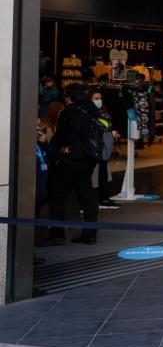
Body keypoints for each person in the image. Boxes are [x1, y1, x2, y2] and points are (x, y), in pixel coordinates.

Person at [45, 85, 102, 245]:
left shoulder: (69, 113)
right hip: (88, 159)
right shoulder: (92, 110)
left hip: (71, 160)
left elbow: (60, 138)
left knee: (56, 195)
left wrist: (53, 151)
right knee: (86, 196)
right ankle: (90, 234)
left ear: (69, 97)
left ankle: (57, 234)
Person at [89, 90, 120, 209]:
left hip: (104, 150)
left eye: (100, 98)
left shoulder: (102, 113)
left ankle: (103, 199)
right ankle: (97, 200)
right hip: (96, 149)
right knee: (95, 177)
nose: (99, 101)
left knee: (103, 174)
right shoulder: (90, 114)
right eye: (96, 98)